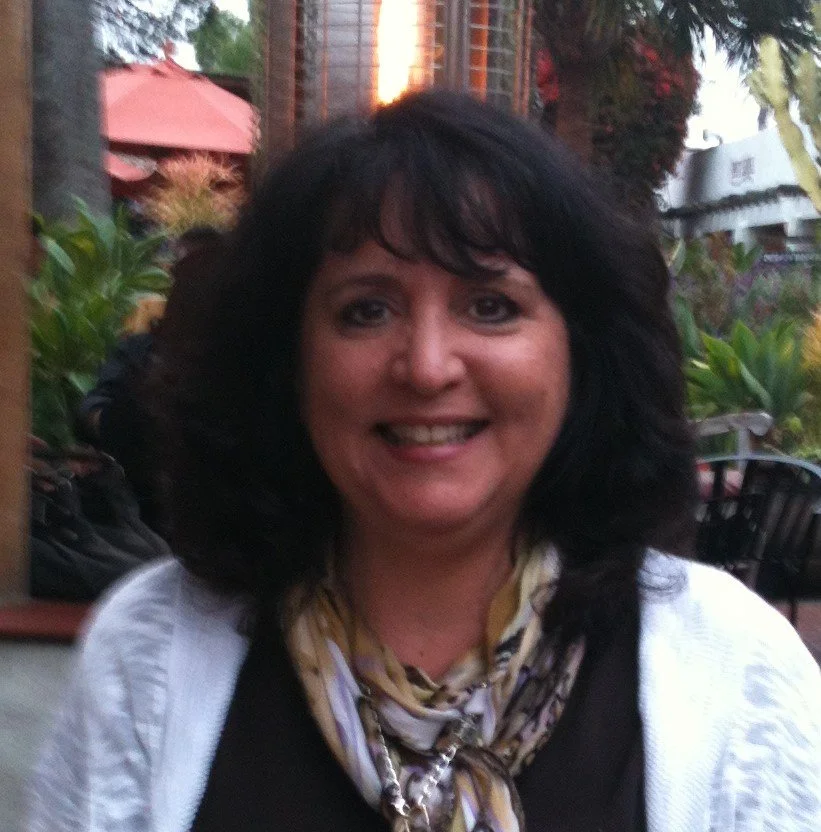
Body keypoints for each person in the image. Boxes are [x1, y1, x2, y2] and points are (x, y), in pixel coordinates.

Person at [28, 90, 820, 832]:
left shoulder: (731, 676)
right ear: (288, 359)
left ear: (579, 354)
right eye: (365, 310)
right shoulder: (150, 655)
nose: (428, 365)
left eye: (490, 306)